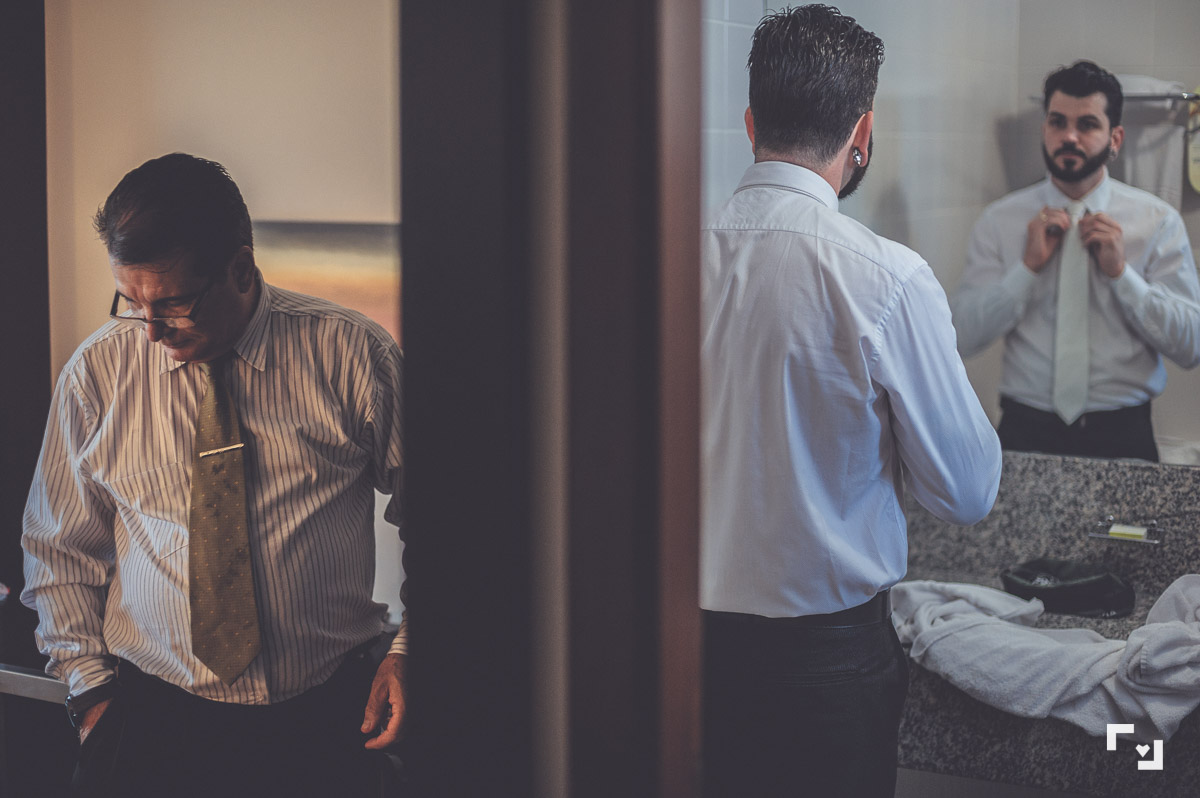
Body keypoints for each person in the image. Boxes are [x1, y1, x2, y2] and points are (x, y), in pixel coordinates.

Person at [21, 153, 407, 797]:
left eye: (172, 303)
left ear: (241, 267)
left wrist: (408, 656)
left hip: (323, 717)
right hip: (148, 718)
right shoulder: (96, 375)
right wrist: (90, 696)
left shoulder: (354, 357)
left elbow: (450, 522)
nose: (149, 331)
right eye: (131, 300)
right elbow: (58, 549)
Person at [700, 6, 1002, 797]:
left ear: (750, 122)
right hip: (825, 670)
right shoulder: (886, 278)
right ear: (862, 130)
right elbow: (967, 492)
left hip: (674, 657)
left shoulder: (659, 257)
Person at [952, 60, 1200, 461]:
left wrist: (1123, 276)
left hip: (1124, 432)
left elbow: (1192, 345)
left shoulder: (1157, 222)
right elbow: (960, 335)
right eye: (1057, 122)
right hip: (1023, 428)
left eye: (1087, 124)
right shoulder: (1000, 220)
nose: (1069, 136)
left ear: (1115, 138)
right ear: (1044, 129)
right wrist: (1026, 270)